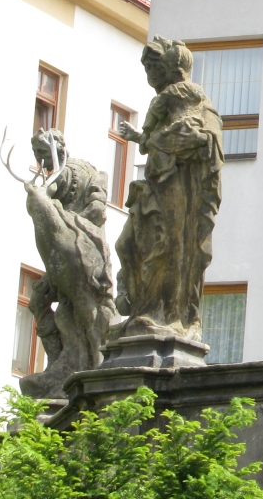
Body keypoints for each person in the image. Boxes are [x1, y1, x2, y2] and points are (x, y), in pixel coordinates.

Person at [115, 36, 224, 341]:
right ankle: (142, 308)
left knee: (171, 246)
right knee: (128, 244)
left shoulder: (195, 101)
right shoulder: (164, 104)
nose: (150, 75)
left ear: (168, 67)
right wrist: (144, 139)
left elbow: (211, 138)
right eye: (146, 69)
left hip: (179, 187)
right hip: (154, 185)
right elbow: (152, 139)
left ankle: (168, 314)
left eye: (154, 67)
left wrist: (190, 140)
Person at [21, 129, 114, 398]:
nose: (42, 162)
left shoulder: (88, 173)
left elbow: (97, 211)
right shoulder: (53, 177)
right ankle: (58, 362)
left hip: (87, 246)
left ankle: (95, 361)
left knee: (85, 309)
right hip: (62, 253)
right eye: (38, 157)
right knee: (38, 301)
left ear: (58, 148)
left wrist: (66, 218)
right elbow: (49, 191)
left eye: (44, 154)